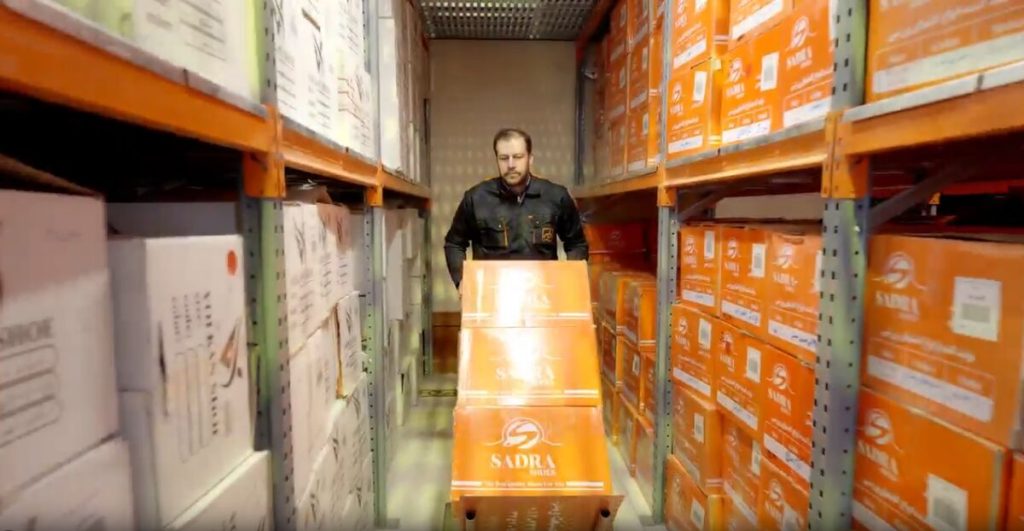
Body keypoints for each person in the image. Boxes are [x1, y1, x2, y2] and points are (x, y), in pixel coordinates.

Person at [443, 128, 589, 289]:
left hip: (542, 293)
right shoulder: (476, 198)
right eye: (504, 158)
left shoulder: (555, 196)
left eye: (518, 157)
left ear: (530, 159)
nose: (511, 165)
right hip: (491, 293)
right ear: (497, 160)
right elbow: (454, 243)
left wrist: (570, 283)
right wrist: (462, 281)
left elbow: (576, 243)